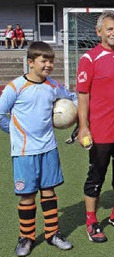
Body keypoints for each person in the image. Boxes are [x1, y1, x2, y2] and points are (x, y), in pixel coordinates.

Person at [0, 42, 75, 256]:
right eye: (44, 61)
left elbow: (72, 98)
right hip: (24, 152)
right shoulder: (15, 87)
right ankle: (26, 237)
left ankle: (52, 234)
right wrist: (15, 133)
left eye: (51, 61)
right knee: (28, 196)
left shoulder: (53, 85)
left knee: (49, 192)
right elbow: (0, 114)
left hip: (48, 148)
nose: (49, 65)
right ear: (31, 62)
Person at [76, 10, 114, 242]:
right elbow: (82, 95)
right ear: (99, 32)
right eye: (109, 29)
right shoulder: (89, 58)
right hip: (99, 131)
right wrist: (83, 127)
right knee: (96, 177)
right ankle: (91, 221)